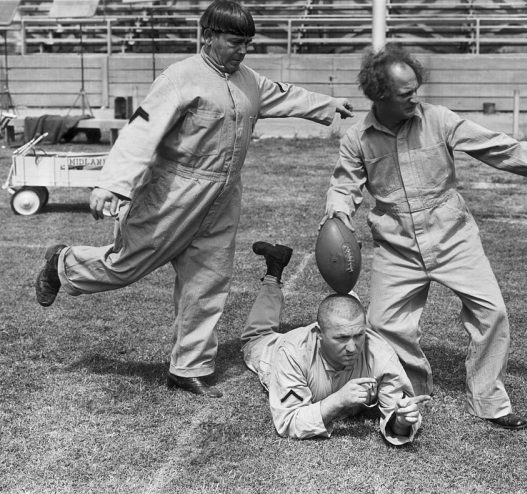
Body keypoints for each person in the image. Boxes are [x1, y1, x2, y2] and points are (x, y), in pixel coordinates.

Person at [34, 0, 353, 397]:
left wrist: (328, 105)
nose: (242, 51)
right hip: (170, 194)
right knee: (125, 266)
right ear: (210, 36)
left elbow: (285, 95)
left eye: (248, 44)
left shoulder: (248, 79)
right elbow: (140, 131)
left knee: (208, 281)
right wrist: (113, 183)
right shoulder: (178, 79)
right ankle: (62, 263)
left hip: (222, 198)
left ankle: (189, 367)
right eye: (235, 42)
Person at [322, 44, 527, 430]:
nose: (415, 98)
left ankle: (489, 399)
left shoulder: (439, 119)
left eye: (416, 89)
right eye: (406, 93)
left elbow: (490, 143)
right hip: (397, 246)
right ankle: (411, 389)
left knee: (492, 313)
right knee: (383, 323)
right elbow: (345, 186)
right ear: (379, 95)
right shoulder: (358, 139)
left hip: (453, 236)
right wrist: (339, 213)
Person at [242, 241, 431, 445]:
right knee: (256, 336)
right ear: (318, 333)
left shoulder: (379, 352)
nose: (352, 348)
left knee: (345, 312)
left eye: (359, 336)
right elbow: (288, 422)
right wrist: (338, 400)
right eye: (341, 339)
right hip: (272, 352)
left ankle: (340, 262)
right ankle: (273, 271)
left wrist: (401, 422)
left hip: (332, 330)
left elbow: (397, 411)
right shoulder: (292, 353)